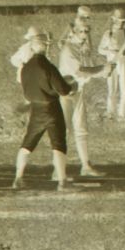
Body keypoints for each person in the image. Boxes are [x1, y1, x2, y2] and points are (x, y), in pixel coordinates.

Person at [12, 28, 78, 191]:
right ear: (46, 47)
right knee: (58, 144)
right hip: (51, 108)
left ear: (33, 47)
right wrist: (73, 86)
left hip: (35, 109)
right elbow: (63, 90)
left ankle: (18, 178)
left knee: (27, 144)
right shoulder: (48, 66)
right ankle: (62, 181)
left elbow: (26, 89)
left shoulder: (25, 67)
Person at [57, 9, 105, 178]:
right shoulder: (68, 49)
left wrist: (103, 71)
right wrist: (101, 70)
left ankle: (85, 165)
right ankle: (58, 171)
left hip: (78, 90)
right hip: (64, 93)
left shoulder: (82, 48)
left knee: (81, 128)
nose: (85, 34)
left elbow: (90, 68)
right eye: (82, 31)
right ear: (74, 32)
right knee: (64, 131)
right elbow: (81, 69)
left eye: (87, 31)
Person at [96, 13, 125, 120]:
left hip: (124, 63)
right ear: (113, 20)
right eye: (119, 21)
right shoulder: (109, 34)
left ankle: (122, 114)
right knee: (112, 89)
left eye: (123, 21)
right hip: (112, 62)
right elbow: (100, 49)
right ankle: (110, 113)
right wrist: (111, 51)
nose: (121, 23)